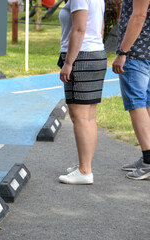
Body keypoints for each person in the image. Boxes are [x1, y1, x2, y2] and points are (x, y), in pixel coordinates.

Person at [58, 0, 107, 184]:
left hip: (81, 56)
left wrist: (69, 63)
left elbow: (79, 28)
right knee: (89, 116)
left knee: (79, 116)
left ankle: (85, 171)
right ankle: (85, 165)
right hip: (96, 53)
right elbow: (100, 27)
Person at [112, 0, 150, 180]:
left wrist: (122, 52)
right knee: (147, 103)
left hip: (136, 53)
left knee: (136, 104)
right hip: (146, 52)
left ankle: (148, 162)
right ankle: (147, 157)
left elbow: (139, 15)